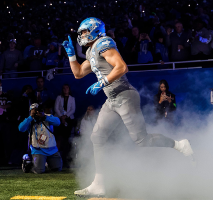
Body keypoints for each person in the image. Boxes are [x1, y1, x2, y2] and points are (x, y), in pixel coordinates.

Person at [62, 17, 194, 197]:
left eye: (85, 31)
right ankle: (98, 184)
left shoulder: (103, 43)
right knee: (97, 137)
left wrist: (102, 83)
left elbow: (122, 67)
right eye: (81, 33)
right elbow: (78, 73)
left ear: (94, 30)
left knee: (142, 141)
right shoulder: (91, 50)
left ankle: (179, 145)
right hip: (112, 100)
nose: (82, 35)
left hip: (124, 95)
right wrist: (71, 56)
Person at [18, 103, 62, 174]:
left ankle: (46, 163)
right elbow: (21, 128)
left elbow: (58, 122)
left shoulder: (48, 117)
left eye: (37, 110)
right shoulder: (30, 120)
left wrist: (44, 117)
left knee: (57, 169)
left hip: (52, 149)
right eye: (34, 110)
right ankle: (28, 163)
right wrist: (30, 117)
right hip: (38, 150)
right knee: (39, 171)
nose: (36, 112)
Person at [54, 84, 76, 167]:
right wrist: (61, 117)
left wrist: (65, 116)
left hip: (69, 119)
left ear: (69, 89)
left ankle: (66, 158)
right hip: (59, 119)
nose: (65, 89)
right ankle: (57, 158)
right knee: (59, 139)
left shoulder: (72, 98)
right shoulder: (59, 97)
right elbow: (56, 108)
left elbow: (73, 109)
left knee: (67, 140)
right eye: (64, 88)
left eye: (67, 88)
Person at [0, 79, 12, 166]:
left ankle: (6, 160)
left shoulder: (6, 95)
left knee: (6, 141)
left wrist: (2, 106)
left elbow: (10, 104)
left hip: (5, 121)